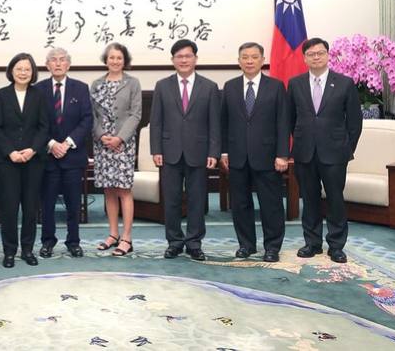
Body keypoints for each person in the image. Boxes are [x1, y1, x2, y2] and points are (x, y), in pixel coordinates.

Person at [288, 37, 362, 264]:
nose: (316, 57)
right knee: (309, 199)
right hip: (305, 152)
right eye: (311, 54)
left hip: (335, 153)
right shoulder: (295, 83)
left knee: (335, 199)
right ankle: (312, 243)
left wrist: (347, 147)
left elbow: (355, 121)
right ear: (305, 58)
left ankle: (337, 245)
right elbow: (290, 118)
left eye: (320, 53)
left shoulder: (345, 83)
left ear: (328, 55)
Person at [150, 39, 220, 261]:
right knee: (170, 200)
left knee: (197, 200)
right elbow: (156, 121)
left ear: (195, 59)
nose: (183, 60)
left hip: (199, 152)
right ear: (173, 60)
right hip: (169, 152)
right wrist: (156, 149)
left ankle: (194, 243)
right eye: (179, 56)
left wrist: (214, 152)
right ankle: (174, 242)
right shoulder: (162, 86)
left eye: (187, 56)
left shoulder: (209, 87)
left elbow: (214, 124)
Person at [220, 42, 289, 263]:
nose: (249, 61)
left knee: (271, 204)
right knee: (240, 204)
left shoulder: (276, 86)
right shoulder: (229, 86)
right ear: (239, 61)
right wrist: (224, 152)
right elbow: (224, 122)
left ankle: (272, 247)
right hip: (238, 156)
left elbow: (283, 123)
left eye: (254, 57)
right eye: (245, 57)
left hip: (268, 156)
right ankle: (246, 245)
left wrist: (282, 154)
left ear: (262, 60)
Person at [0, 53, 49, 268]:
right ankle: (9, 251)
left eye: (27, 69)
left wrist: (33, 150)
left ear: (32, 72)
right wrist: (11, 152)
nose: (23, 72)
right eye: (19, 69)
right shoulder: (1, 95)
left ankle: (27, 249)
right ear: (11, 72)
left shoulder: (40, 95)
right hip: (8, 162)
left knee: (31, 207)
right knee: (9, 208)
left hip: (33, 161)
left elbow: (45, 127)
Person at [36, 47, 93, 259]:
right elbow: (36, 123)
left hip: (72, 156)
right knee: (47, 203)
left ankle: (73, 241)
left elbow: (87, 120)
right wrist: (52, 144)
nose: (58, 64)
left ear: (68, 64)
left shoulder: (81, 88)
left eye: (62, 60)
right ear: (47, 65)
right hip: (48, 157)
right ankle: (47, 242)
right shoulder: (38, 89)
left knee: (73, 203)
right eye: (53, 60)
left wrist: (67, 143)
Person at [91, 43, 142, 257]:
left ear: (125, 60)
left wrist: (119, 138)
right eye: (111, 57)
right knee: (108, 190)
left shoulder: (133, 83)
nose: (115, 61)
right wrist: (102, 136)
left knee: (123, 190)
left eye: (119, 58)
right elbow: (92, 116)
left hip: (123, 144)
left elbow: (136, 114)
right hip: (102, 143)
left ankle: (127, 238)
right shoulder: (96, 84)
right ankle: (112, 235)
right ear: (106, 60)